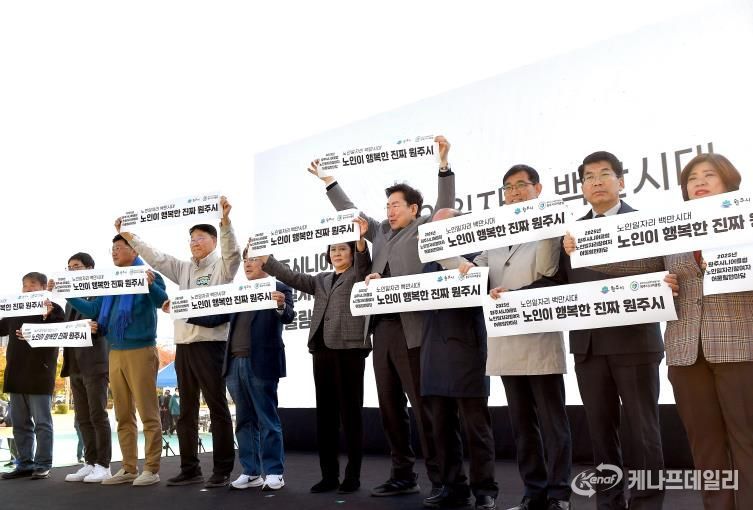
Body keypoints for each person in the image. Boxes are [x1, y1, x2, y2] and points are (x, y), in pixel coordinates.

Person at [564, 153, 752, 510]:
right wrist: (584, 249)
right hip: (685, 353)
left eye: (709, 175)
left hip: (740, 347)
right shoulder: (675, 229)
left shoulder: (748, 222)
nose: (699, 182)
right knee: (705, 445)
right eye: (692, 177)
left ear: (729, 181)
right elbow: (643, 262)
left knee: (747, 441)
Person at [519, 151, 665, 510]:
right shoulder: (572, 233)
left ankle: (646, 504)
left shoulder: (645, 224)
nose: (596, 181)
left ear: (621, 182)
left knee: (643, 433)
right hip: (588, 348)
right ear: (582, 187)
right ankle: (608, 503)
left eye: (604, 174)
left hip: (635, 342)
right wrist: (512, 296)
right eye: (588, 177)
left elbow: (657, 268)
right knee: (601, 435)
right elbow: (558, 281)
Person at [309, 135, 453, 497]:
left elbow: (445, 206)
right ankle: (403, 474)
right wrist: (330, 181)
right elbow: (351, 212)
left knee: (423, 407)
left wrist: (443, 166)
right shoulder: (382, 233)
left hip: (413, 329)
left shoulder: (424, 227)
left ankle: (441, 479)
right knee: (390, 408)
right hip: (382, 330)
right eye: (387, 205)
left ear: (414, 209)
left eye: (396, 205)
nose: (389, 211)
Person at [443, 166, 572, 510]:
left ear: (537, 189)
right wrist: (444, 250)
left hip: (539, 338)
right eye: (508, 188)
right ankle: (534, 492)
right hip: (505, 341)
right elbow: (475, 270)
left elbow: (547, 271)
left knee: (553, 425)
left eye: (520, 186)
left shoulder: (550, 228)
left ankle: (559, 495)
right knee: (522, 426)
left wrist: (543, 225)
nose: (513, 193)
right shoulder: (496, 238)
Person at [116, 196, 240, 488]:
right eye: (192, 239)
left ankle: (222, 469)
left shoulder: (223, 266)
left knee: (217, 407)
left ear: (213, 241)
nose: (195, 242)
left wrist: (225, 223)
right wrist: (130, 237)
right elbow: (157, 257)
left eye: (201, 238)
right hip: (183, 346)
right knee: (186, 411)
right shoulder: (183, 268)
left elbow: (233, 252)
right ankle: (189, 468)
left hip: (211, 344)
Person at [259, 216, 371, 494]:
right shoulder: (321, 279)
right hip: (321, 351)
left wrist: (359, 241)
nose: (337, 253)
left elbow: (364, 262)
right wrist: (267, 260)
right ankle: (329, 476)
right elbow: (293, 277)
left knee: (351, 415)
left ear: (351, 252)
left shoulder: (359, 274)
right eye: (333, 249)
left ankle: (352, 476)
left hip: (349, 349)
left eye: (343, 249)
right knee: (326, 417)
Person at [63, 234, 168, 487]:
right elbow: (94, 310)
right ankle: (129, 467)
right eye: (112, 248)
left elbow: (162, 301)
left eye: (119, 247)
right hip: (115, 351)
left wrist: (150, 285)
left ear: (134, 251)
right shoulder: (110, 281)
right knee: (122, 413)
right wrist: (67, 293)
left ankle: (151, 468)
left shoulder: (148, 274)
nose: (114, 251)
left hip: (141, 349)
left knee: (148, 413)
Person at [187, 246, 294, 491]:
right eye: (246, 259)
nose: (247, 263)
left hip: (261, 363)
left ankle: (274, 472)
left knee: (267, 420)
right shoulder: (237, 292)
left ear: (266, 262)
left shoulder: (279, 287)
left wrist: (279, 305)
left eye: (253, 259)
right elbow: (215, 317)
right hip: (234, 364)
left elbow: (288, 316)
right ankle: (251, 472)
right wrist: (184, 311)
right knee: (244, 421)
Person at [421, 209, 498, 510]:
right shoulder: (427, 259)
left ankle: (485, 490)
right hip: (433, 350)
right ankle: (453, 487)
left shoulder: (476, 254)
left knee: (476, 427)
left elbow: (483, 288)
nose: (434, 232)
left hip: (467, 349)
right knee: (441, 427)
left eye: (441, 226)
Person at [53, 252, 113, 484]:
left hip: (95, 361)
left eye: (76, 266)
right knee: (82, 417)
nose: (72, 271)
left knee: (98, 414)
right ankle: (90, 461)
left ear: (90, 268)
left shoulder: (101, 291)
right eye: (69, 268)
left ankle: (104, 465)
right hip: (74, 364)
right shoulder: (69, 301)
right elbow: (65, 329)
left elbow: (99, 318)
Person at [0, 272, 64, 481]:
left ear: (44, 287)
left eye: (32, 285)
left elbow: (63, 329)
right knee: (19, 423)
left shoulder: (54, 308)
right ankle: (24, 463)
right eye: (25, 285)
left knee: (42, 423)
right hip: (15, 373)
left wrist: (48, 315)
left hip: (40, 373)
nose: (27, 289)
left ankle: (43, 464)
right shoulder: (14, 310)